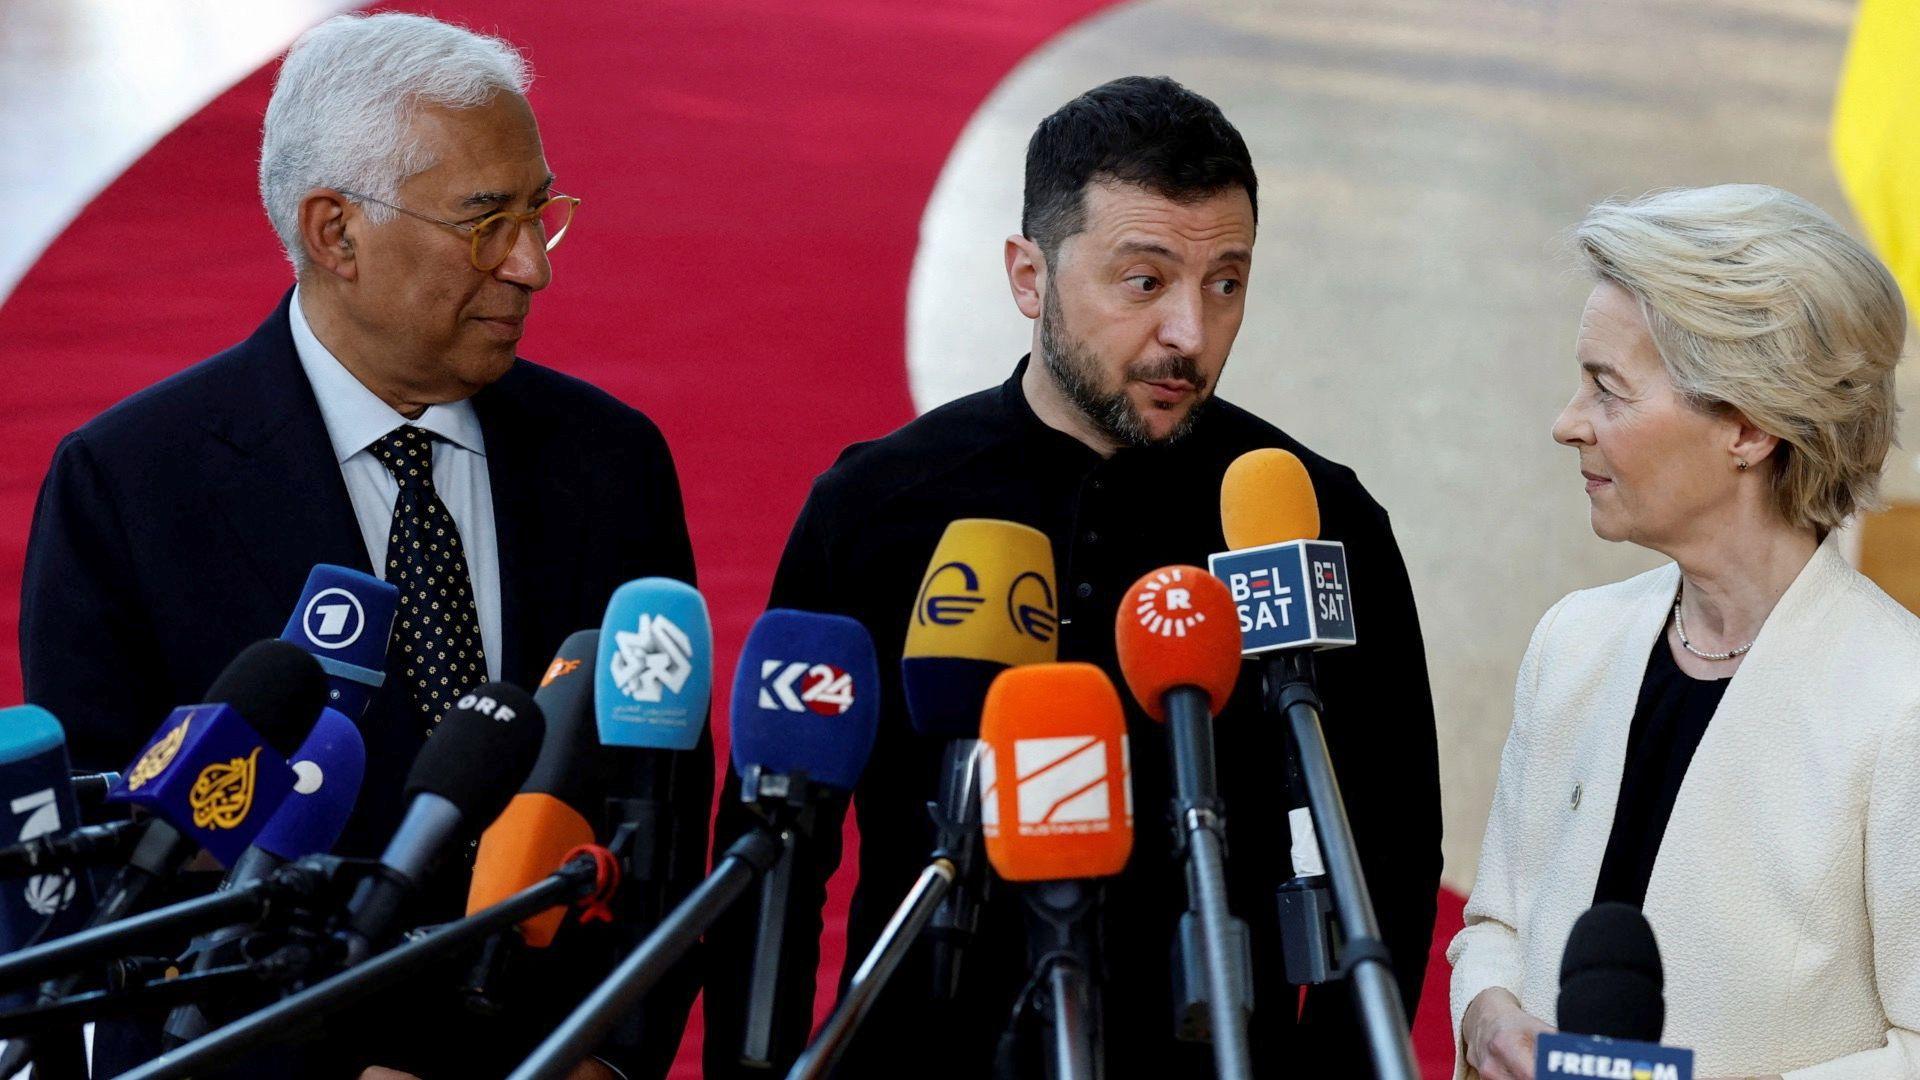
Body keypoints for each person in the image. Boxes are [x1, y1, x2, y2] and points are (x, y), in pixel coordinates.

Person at [704, 75, 1442, 1077]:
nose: (1191, 330)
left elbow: (1388, 865)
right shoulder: (878, 505)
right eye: (1145, 281)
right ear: (1028, 276)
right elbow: (777, 850)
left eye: (1226, 282)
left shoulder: (1313, 521)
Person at [18, 14, 709, 1079]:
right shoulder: (128, 486)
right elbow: (125, 883)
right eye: (486, 222)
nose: (532, 266)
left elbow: (660, 818)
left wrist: (606, 1056)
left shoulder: (610, 462)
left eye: (540, 212)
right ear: (335, 233)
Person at [1449, 185, 1920, 1080]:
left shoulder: (1902, 707)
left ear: (1747, 426)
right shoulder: (1573, 644)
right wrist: (1487, 1011)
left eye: (1606, 388)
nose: (1567, 422)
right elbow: (1497, 926)